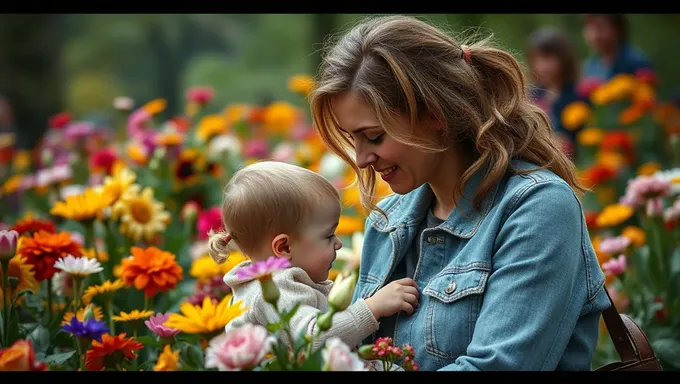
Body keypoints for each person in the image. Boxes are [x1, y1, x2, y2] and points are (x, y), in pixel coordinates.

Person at [309, 15, 611, 371]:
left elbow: (498, 365)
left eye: (374, 136)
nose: (361, 159)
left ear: (435, 114)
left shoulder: (537, 208)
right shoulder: (387, 221)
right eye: (352, 138)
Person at [208, 160, 420, 352]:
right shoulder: (274, 291)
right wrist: (373, 308)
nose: (338, 243)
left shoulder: (277, 284)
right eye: (328, 235)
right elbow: (313, 340)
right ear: (284, 247)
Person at [526, 27, 591, 158]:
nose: (541, 66)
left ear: (564, 58)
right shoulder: (533, 94)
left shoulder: (578, 95)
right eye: (536, 59)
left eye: (547, 58)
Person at [581, 14, 653, 81]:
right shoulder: (590, 67)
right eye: (590, 28)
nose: (595, 35)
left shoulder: (636, 63)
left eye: (601, 27)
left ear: (617, 28)